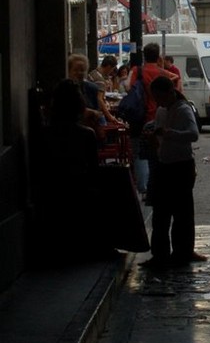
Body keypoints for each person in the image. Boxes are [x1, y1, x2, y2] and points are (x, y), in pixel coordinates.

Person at [36, 78, 115, 263]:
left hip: (52, 190)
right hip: (80, 189)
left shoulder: (43, 134)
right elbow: (94, 169)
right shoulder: (86, 134)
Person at [143, 75, 206, 269]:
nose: (157, 102)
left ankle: (182, 251)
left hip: (180, 166)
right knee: (161, 213)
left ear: (169, 93)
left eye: (159, 97)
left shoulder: (183, 109)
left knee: (182, 213)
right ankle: (160, 254)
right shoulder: (162, 110)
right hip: (164, 164)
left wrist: (168, 134)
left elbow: (193, 134)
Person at [126, 43, 178, 199]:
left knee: (139, 153)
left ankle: (143, 187)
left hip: (140, 117)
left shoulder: (137, 71)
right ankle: (157, 185)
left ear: (144, 56)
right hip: (158, 115)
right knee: (157, 151)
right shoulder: (162, 72)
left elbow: (129, 88)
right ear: (158, 57)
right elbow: (175, 78)